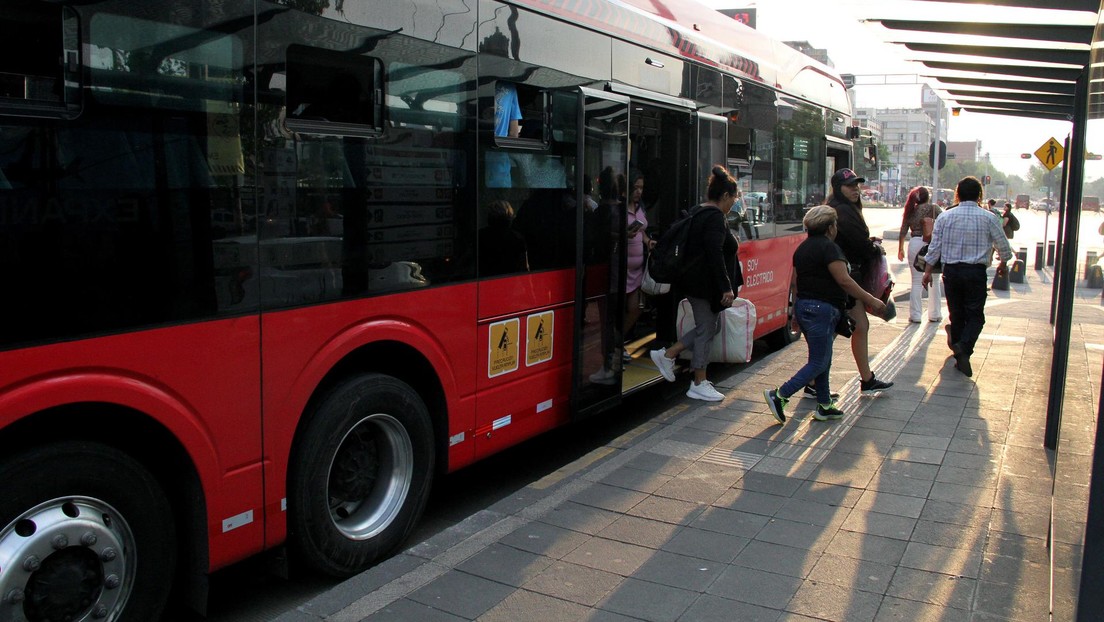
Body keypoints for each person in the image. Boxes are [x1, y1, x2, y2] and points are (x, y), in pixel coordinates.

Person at [764, 206, 886, 424]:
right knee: (819, 360)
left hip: (804, 307)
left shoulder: (802, 249)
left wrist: (793, 312)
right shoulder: (830, 249)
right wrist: (871, 299)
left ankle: (825, 404)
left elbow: (794, 282)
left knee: (822, 358)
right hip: (822, 309)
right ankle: (780, 394)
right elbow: (844, 280)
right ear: (831, 228)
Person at [650, 165, 743, 402]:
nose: (734, 203)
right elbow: (714, 254)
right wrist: (725, 287)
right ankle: (698, 382)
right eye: (734, 198)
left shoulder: (698, 211)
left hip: (695, 283)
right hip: (704, 286)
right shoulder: (714, 218)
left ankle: (669, 354)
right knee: (706, 329)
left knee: (711, 327)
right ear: (724, 196)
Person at [922, 176, 1014, 377]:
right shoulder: (989, 217)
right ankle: (963, 347)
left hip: (952, 272)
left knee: (956, 313)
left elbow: (935, 247)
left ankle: (959, 348)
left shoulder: (945, 217)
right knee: (976, 316)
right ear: (979, 195)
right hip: (975, 273)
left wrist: (927, 271)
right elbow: (1004, 247)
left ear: (957, 194)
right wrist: (1003, 264)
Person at [827, 168, 893, 393]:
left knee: (856, 326)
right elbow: (860, 245)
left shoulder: (841, 209)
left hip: (845, 276)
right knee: (843, 328)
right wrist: (873, 247)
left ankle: (866, 378)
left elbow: (855, 240)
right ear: (838, 188)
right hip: (844, 277)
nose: (855, 189)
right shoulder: (843, 211)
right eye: (850, 186)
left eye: (857, 185)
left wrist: (868, 243)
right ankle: (814, 381)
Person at [896, 186, 943, 323]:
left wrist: (900, 248)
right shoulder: (934, 208)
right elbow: (943, 223)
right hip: (932, 244)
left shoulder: (910, 210)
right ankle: (934, 314)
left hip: (915, 243)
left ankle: (915, 315)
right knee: (934, 280)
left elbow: (903, 230)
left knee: (916, 281)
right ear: (927, 197)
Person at [622, 175, 655, 360]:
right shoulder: (619, 209)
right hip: (621, 269)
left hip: (637, 270)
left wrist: (648, 241)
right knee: (619, 311)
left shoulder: (640, 207)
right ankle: (614, 348)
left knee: (636, 308)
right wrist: (623, 235)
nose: (639, 192)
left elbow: (641, 232)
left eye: (641, 188)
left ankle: (617, 342)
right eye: (635, 188)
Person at [478, 200, 528, 277]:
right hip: (511, 282)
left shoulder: (479, 236)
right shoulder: (517, 238)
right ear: (510, 216)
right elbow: (523, 267)